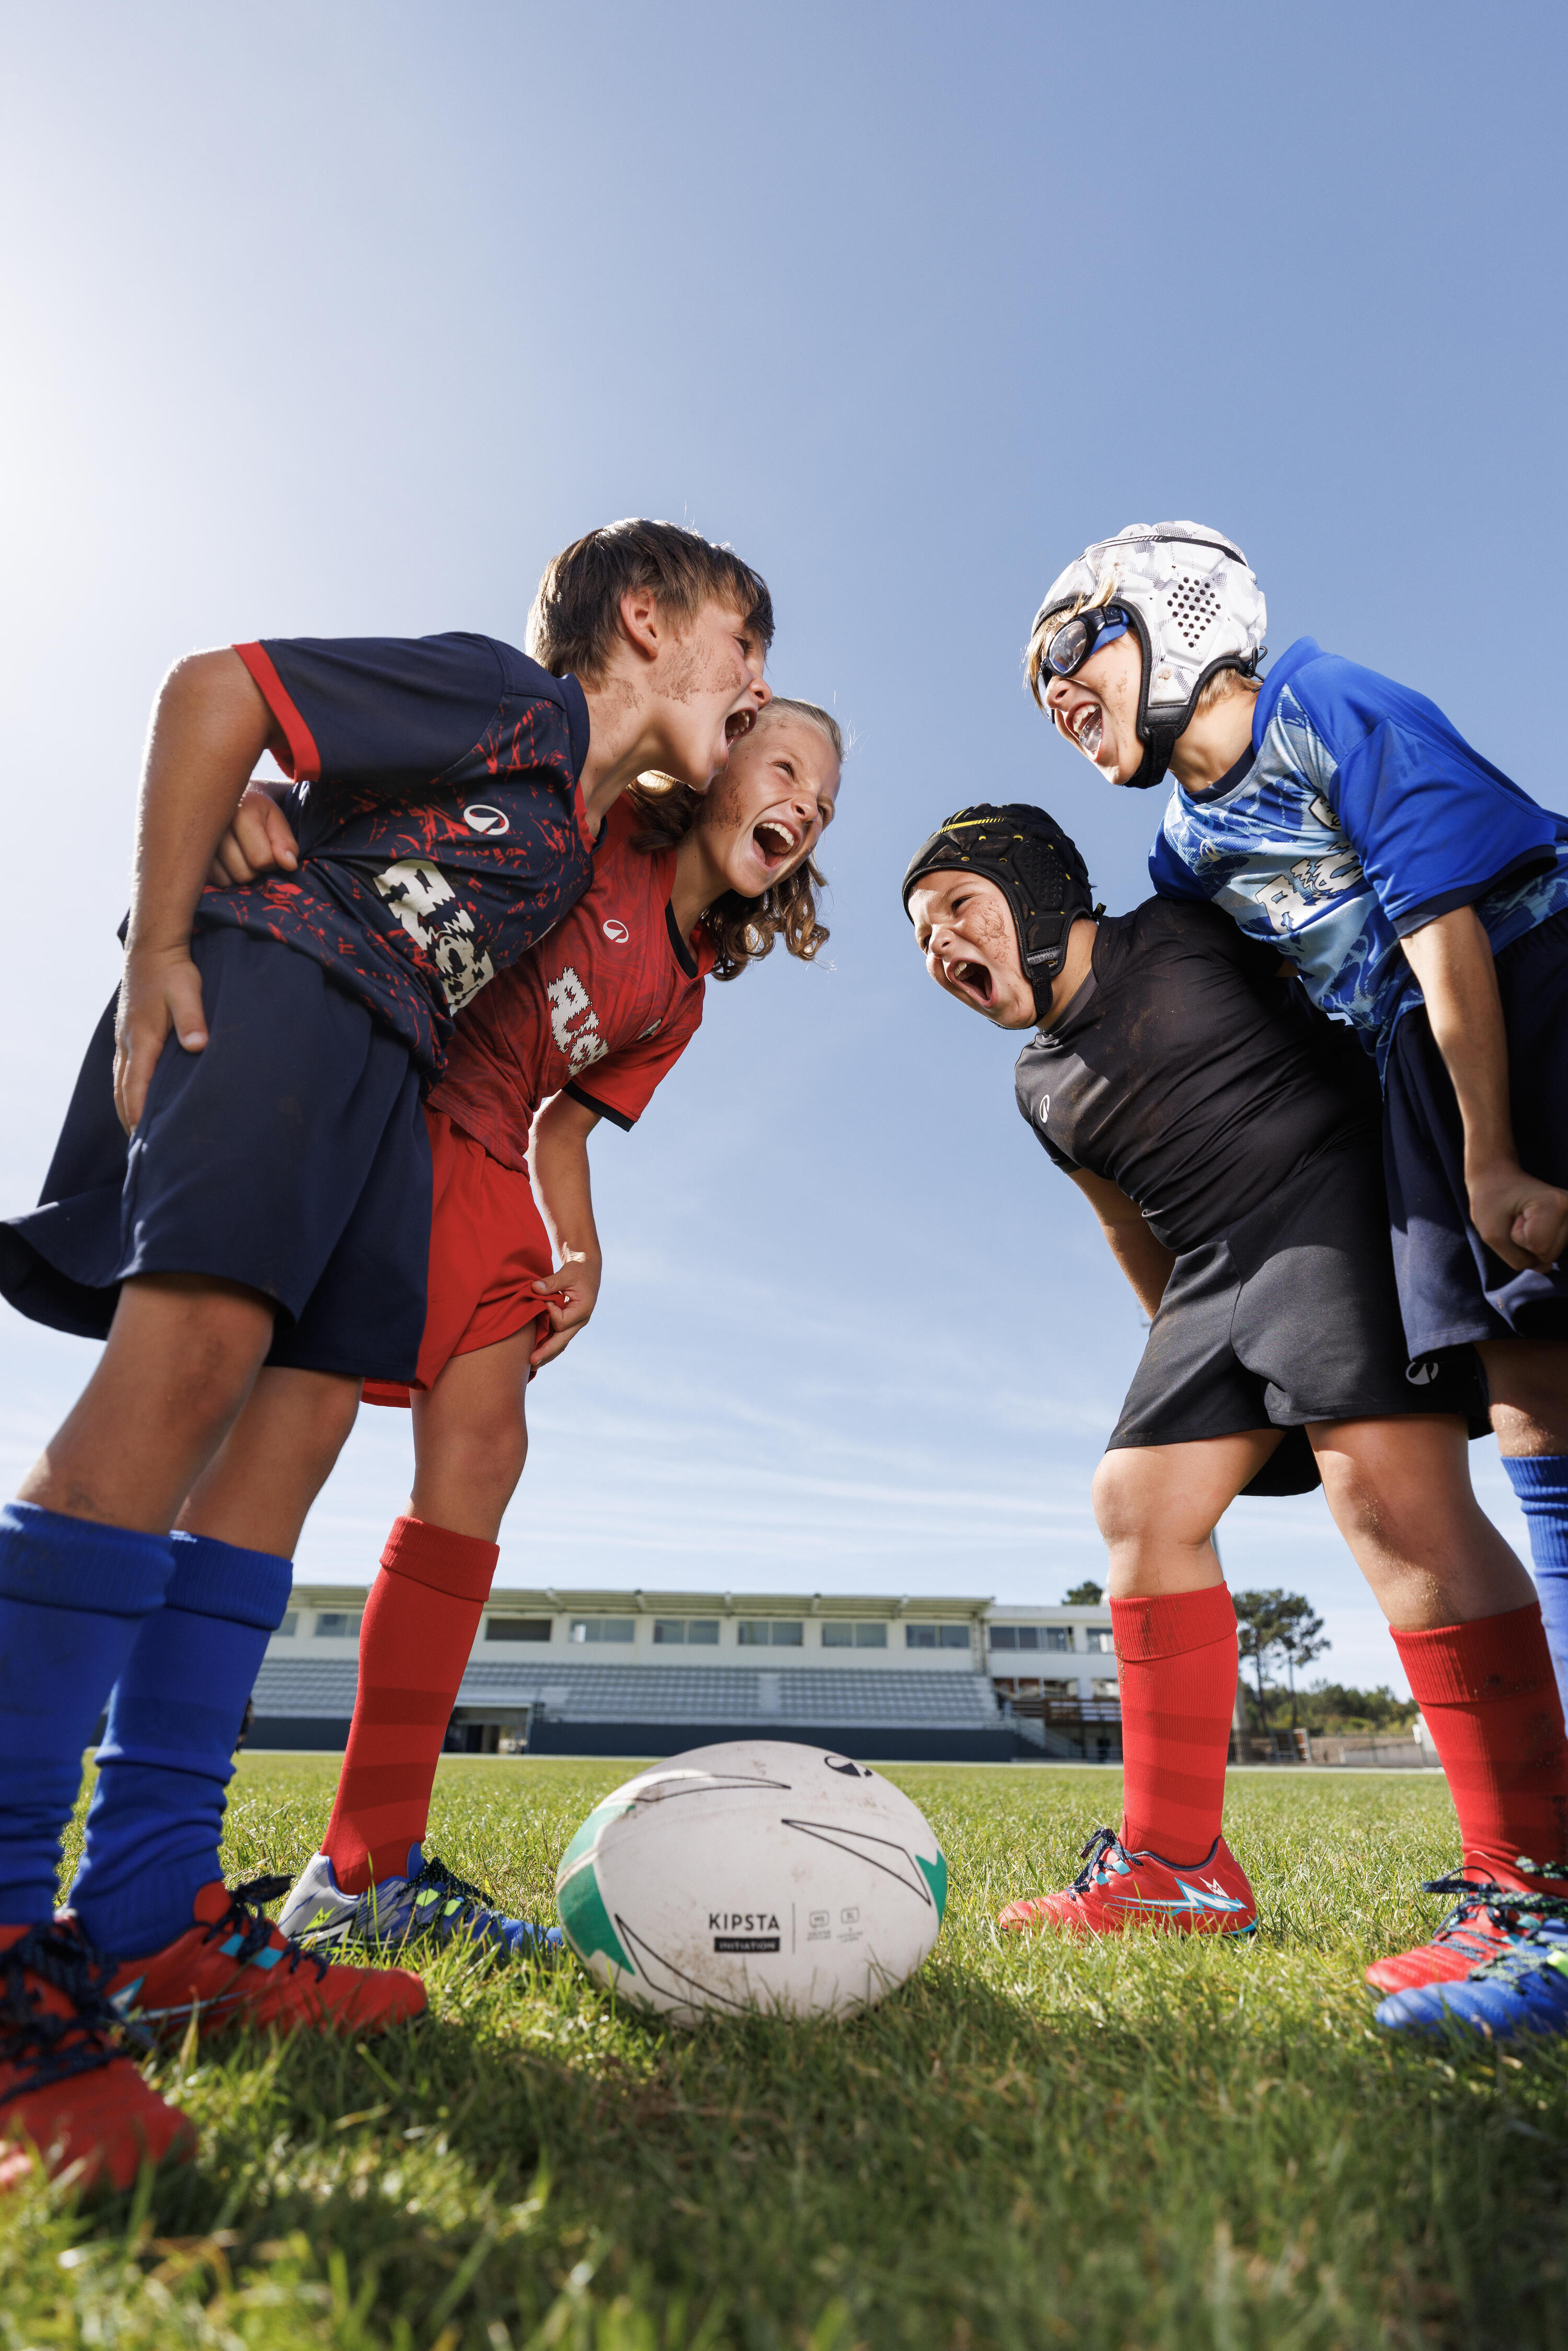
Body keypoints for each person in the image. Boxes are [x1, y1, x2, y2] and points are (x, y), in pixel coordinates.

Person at [0, 520, 774, 2190]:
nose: (757, 687)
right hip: (278, 991)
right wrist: (162, 937)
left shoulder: (576, 840)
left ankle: (149, 1916)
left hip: (384, 1066)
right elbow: (217, 689)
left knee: (285, 1452)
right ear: (646, 622)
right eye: (746, 648)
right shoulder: (516, 704)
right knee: (176, 1383)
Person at [1026, 522, 1568, 2034]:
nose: (1055, 689)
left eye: (1071, 643)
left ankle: (1544, 1892)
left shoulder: (1323, 699)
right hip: (1416, 1074)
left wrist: (1488, 1153)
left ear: (1179, 609)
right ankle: (1542, 1901)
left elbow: (1443, 924)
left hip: (1525, 987)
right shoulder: (1180, 853)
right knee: (1536, 1424)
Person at [187, 697, 835, 1957]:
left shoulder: (684, 990)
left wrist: (580, 1249)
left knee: (486, 1452)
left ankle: (366, 1867)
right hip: (390, 1079)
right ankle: (156, 1854)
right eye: (786, 764)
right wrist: (259, 802)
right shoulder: (603, 819)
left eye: (825, 799)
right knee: (280, 1429)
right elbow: (422, 808)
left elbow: (565, 1125)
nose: (806, 802)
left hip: (487, 1147)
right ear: (715, 765)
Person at [900, 804, 1568, 2015]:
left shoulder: (1185, 928)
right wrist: (1184, 1355)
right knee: (1137, 1498)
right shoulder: (1036, 1082)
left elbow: (1352, 970)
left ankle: (1535, 1881)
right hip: (1210, 1272)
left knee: (1387, 1493)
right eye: (921, 936)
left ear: (1036, 882)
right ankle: (1174, 1867)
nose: (939, 942)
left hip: (1339, 1193)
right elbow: (1121, 1217)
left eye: (956, 904)